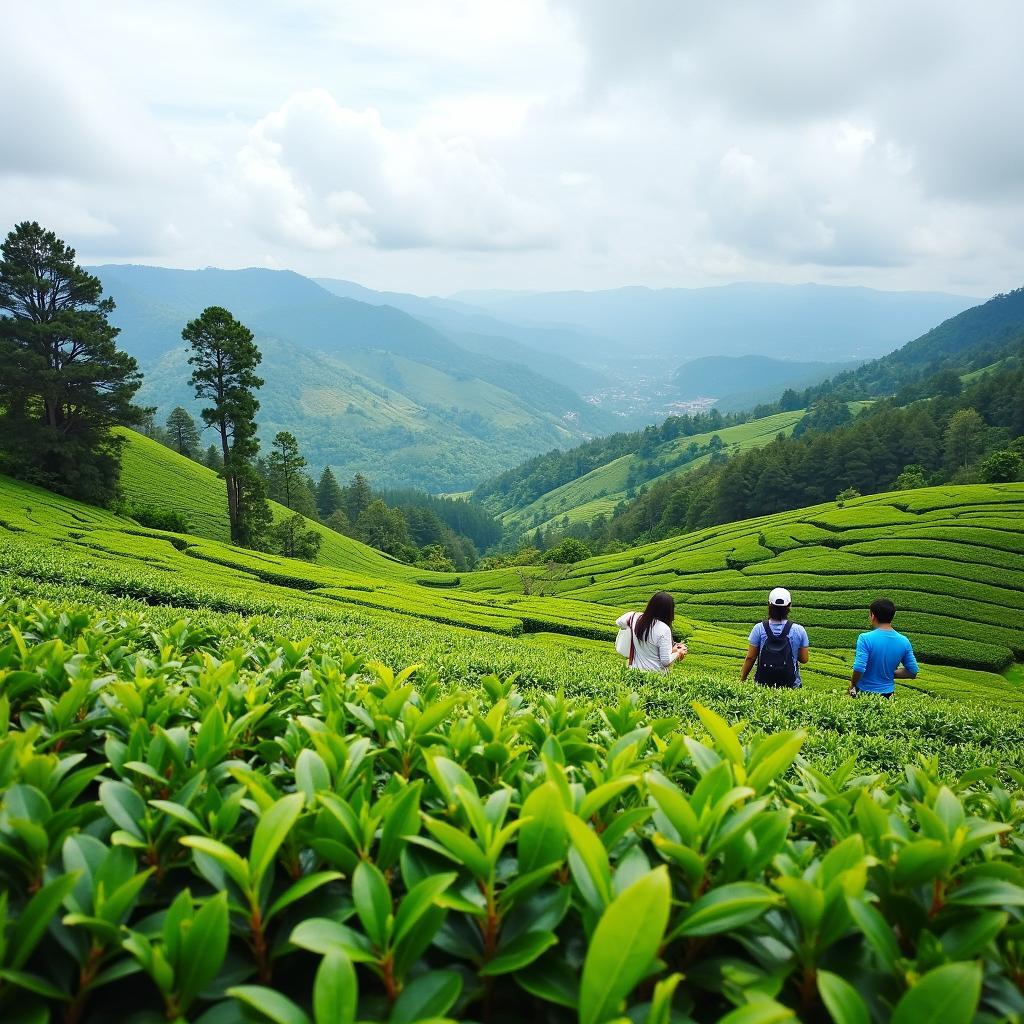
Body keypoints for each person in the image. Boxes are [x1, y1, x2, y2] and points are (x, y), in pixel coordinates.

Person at [849, 598, 919, 698]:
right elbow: (912, 671)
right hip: (888, 694)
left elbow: (859, 668)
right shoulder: (904, 641)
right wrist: (889, 672)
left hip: (864, 692)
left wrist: (853, 685)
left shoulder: (865, 638)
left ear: (873, 616)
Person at [740, 587, 809, 688]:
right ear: (789, 606)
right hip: (791, 686)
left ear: (769, 605)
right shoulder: (799, 630)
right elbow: (804, 659)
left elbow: (751, 657)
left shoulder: (759, 628)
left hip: (763, 685)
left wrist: (743, 678)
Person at [616, 591, 688, 673]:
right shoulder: (664, 629)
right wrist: (678, 653)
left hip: (635, 670)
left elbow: (619, 622)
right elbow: (665, 661)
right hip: (655, 674)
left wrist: (631, 631)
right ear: (669, 611)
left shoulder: (634, 617)